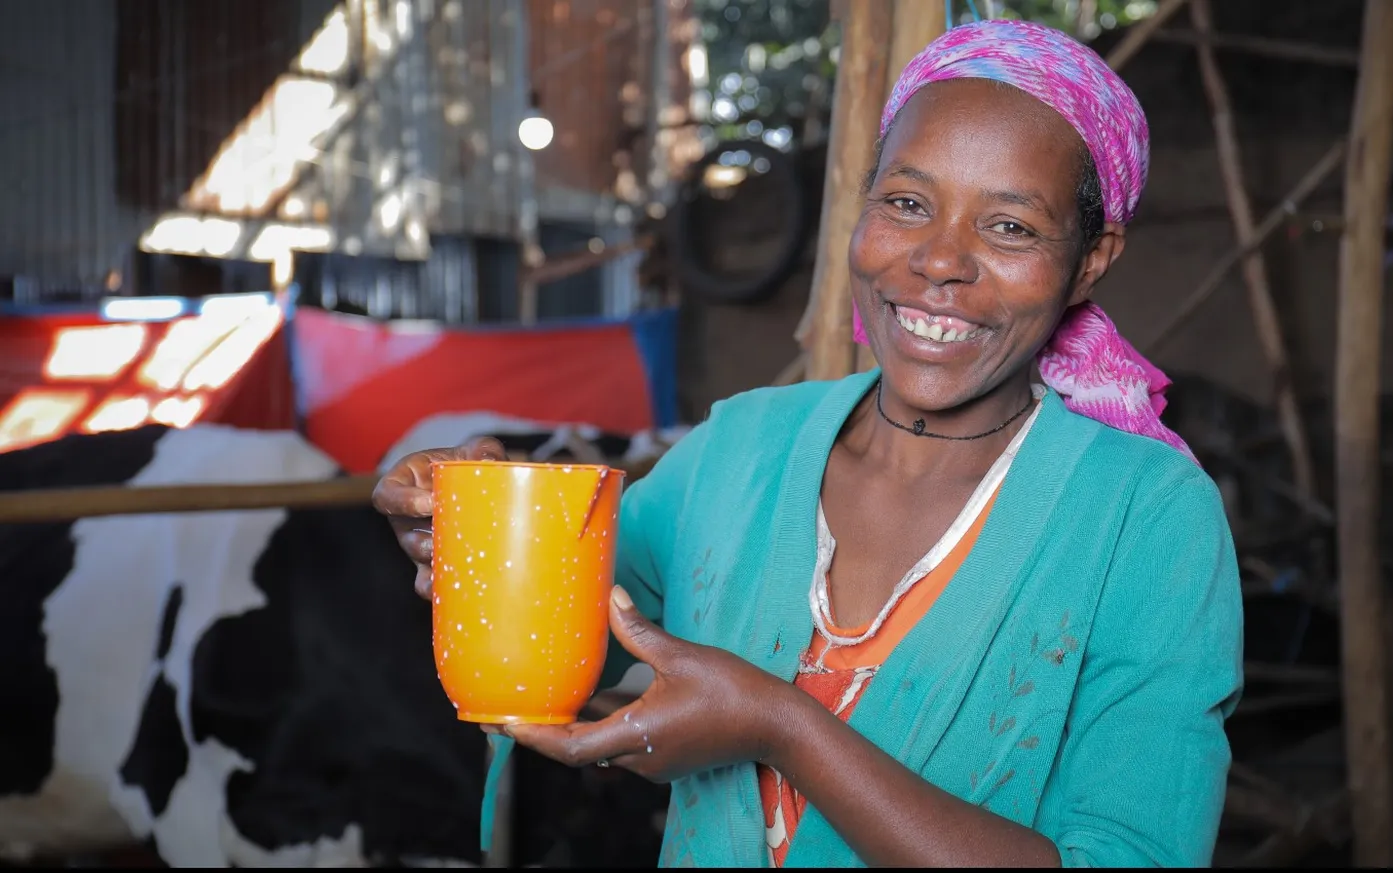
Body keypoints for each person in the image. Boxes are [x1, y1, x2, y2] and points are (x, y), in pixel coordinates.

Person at [376, 19, 1242, 868]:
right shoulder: (743, 446)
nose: (940, 260)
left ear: (1092, 259)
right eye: (906, 203)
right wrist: (469, 546)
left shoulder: (1151, 519)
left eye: (1009, 226)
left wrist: (781, 725)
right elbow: (580, 633)